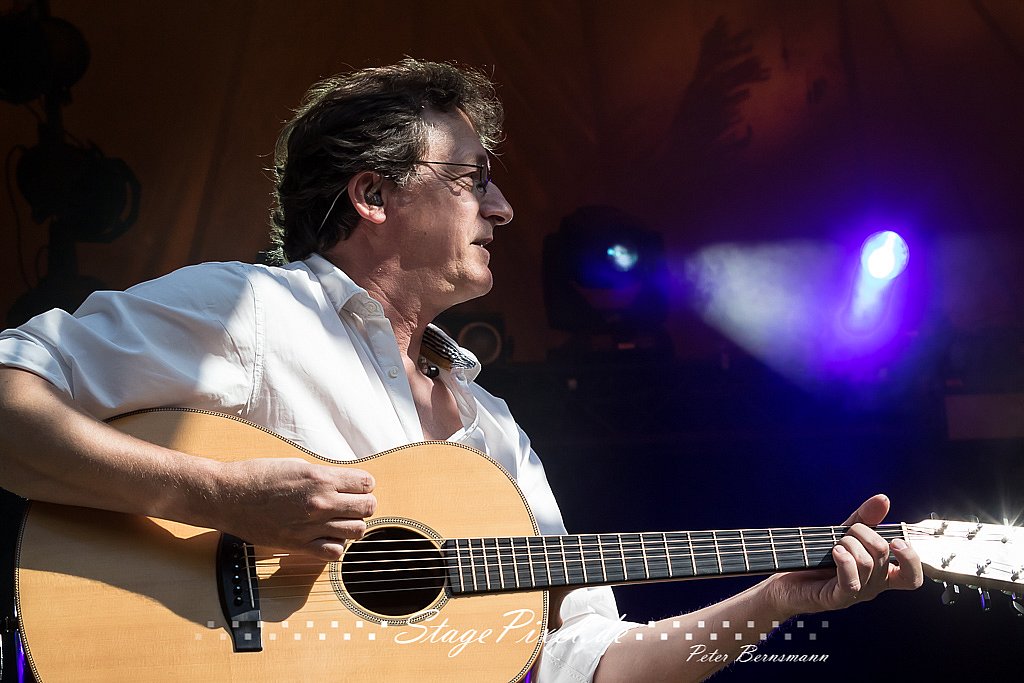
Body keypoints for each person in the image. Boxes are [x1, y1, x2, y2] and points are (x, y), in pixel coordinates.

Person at [0, 58, 922, 682]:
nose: (505, 207)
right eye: (473, 178)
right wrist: (221, 497)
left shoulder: (493, 432)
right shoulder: (252, 311)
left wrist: (777, 599)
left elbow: (595, 663)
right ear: (373, 193)